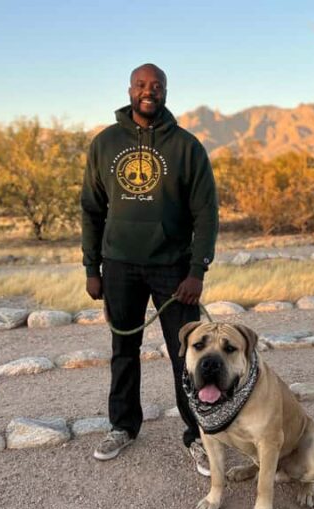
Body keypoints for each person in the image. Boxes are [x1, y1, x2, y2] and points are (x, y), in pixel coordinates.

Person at [80, 63, 219, 475]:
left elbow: (206, 213)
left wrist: (198, 269)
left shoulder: (186, 146)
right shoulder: (104, 144)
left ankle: (197, 434)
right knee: (123, 349)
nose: (148, 91)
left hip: (173, 269)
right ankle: (122, 425)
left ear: (165, 92)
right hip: (119, 264)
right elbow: (92, 209)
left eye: (156, 86)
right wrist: (93, 267)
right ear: (129, 90)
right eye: (141, 85)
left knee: (186, 354)